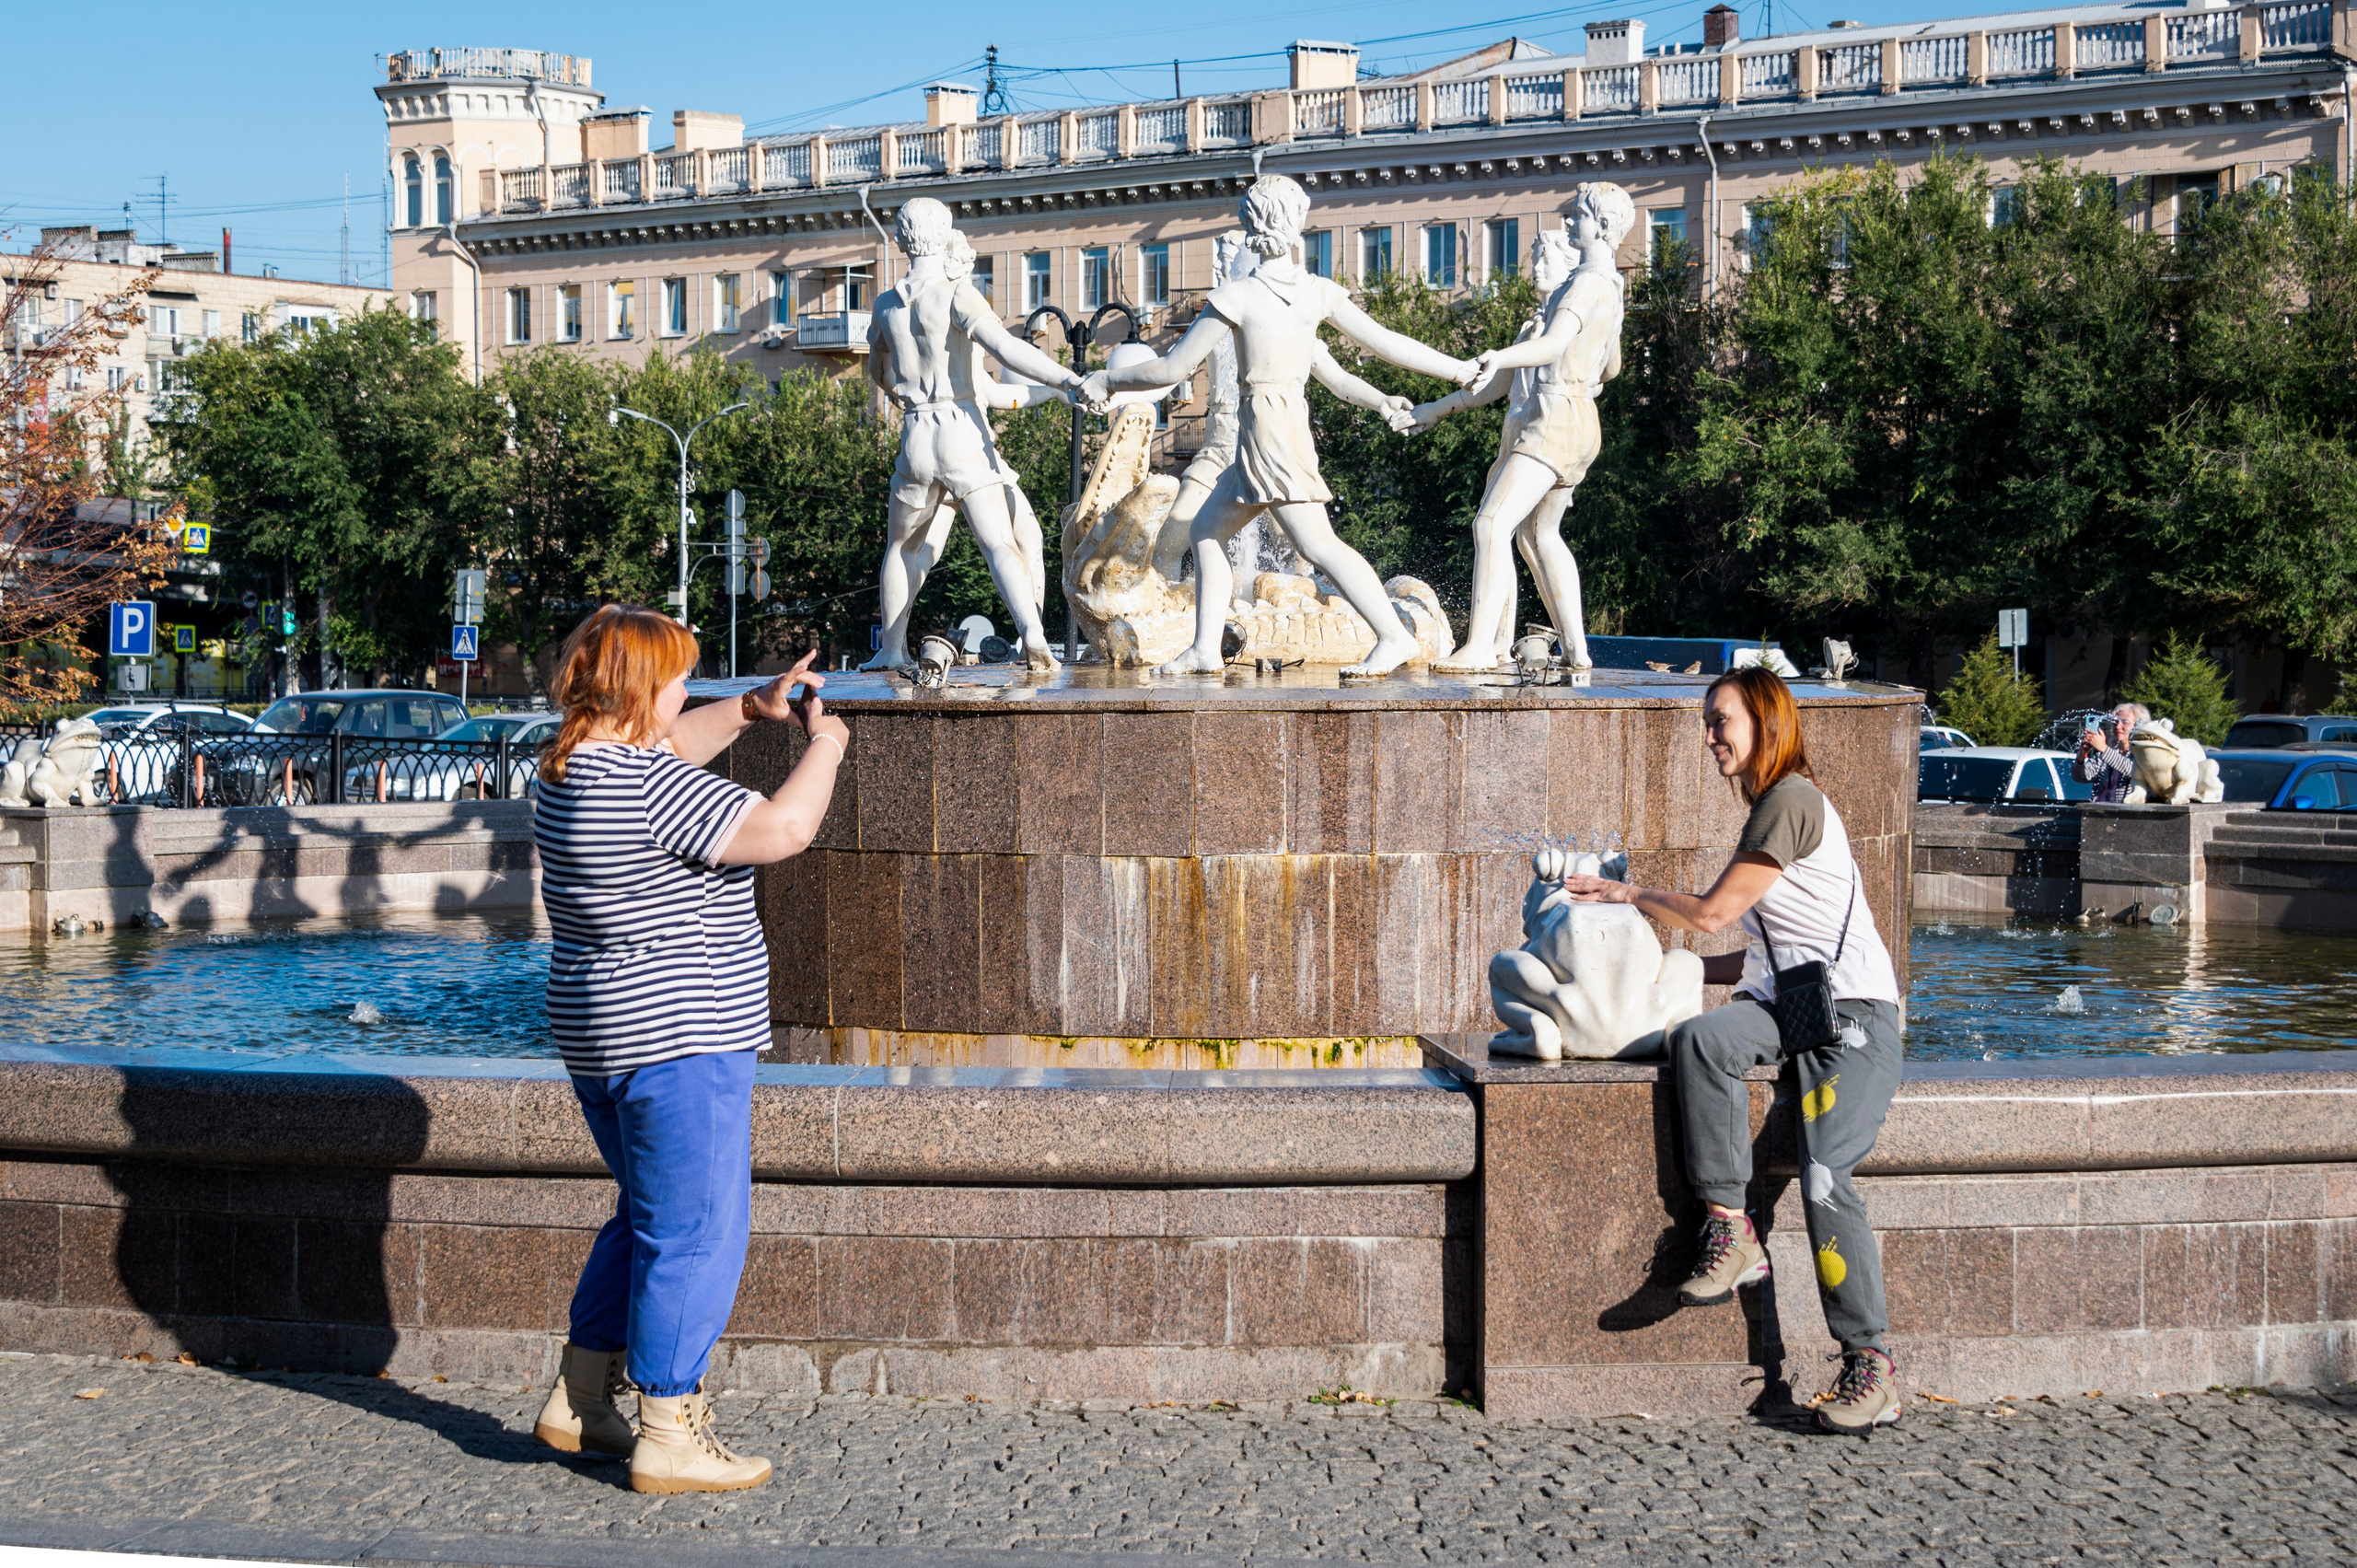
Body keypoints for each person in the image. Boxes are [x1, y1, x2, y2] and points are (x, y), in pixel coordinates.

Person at [528, 605, 848, 1493]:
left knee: (645, 1215)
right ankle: (669, 1427)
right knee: (698, 1230)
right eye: (676, 679)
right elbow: (784, 831)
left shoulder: (564, 770)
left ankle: (580, 1395)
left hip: (602, 1030)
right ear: (640, 691)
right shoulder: (646, 782)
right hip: (684, 1034)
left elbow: (668, 755)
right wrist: (826, 746)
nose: (683, 692)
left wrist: (751, 709)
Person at [1562, 666, 1907, 1435]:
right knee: (1702, 1038)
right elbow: (1749, 957)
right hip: (1795, 1009)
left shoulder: (1790, 799)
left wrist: (1630, 894)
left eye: (1721, 719)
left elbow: (1715, 914)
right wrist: (1664, 967)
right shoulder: (1768, 811)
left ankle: (1870, 1363)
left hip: (1856, 1021)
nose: (1709, 734)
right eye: (1707, 722)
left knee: (1822, 1176)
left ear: (1766, 721)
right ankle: (1732, 1225)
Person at [1078, 175, 1480, 679]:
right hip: (1273, 425)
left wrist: (1107, 378)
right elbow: (1379, 348)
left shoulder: (1238, 296)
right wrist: (1446, 374)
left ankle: (1394, 635)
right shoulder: (1315, 293)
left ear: (1254, 224)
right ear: (1296, 224)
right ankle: (1205, 648)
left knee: (1317, 544)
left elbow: (1171, 370)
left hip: (1268, 428)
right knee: (1206, 529)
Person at [1415, 185, 1637, 672]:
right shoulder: (1610, 286)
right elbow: (1613, 367)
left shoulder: (1583, 284)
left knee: (1491, 523)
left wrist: (1503, 356)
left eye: (1577, 215)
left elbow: (1555, 345)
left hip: (1553, 419)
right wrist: (1435, 408)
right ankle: (1578, 652)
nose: (1569, 221)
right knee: (1539, 534)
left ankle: (1480, 647)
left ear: (1602, 225)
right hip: (1577, 421)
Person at [865, 197, 1086, 672]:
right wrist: (1066, 380)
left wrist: (909, 394)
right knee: (998, 543)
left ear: (902, 239)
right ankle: (1033, 635)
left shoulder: (886, 305)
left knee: (901, 548)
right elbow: (1005, 348)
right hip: (961, 427)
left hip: (916, 431)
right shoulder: (955, 293)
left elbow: (878, 374)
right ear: (945, 235)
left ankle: (891, 648)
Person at [2075, 702, 2149, 803]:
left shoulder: (2142, 753)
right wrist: (2081, 756)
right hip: (2099, 814)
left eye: (2125, 722)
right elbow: (2080, 777)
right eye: (2115, 722)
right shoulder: (2106, 754)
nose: (2118, 727)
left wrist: (2104, 749)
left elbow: (2133, 771)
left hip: (2128, 814)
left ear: (2139, 726)